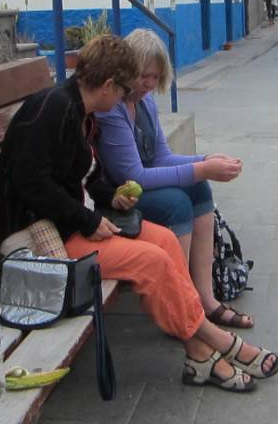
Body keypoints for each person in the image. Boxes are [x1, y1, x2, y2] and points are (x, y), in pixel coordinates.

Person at [0, 35, 278, 392]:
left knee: (163, 240)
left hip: (72, 223)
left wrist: (110, 196)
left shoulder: (79, 110)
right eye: (123, 90)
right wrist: (88, 219)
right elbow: (31, 183)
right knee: (152, 261)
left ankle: (199, 355)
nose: (126, 97)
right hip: (44, 239)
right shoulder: (53, 109)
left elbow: (84, 176)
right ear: (107, 86)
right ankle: (216, 341)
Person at [96, 29, 253, 330]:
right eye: (143, 76)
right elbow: (133, 175)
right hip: (116, 196)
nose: (149, 84)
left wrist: (205, 161)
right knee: (176, 203)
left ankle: (205, 299)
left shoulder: (146, 103)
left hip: (141, 186)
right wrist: (202, 168)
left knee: (198, 188)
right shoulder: (112, 109)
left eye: (155, 77)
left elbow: (162, 158)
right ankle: (181, 307)